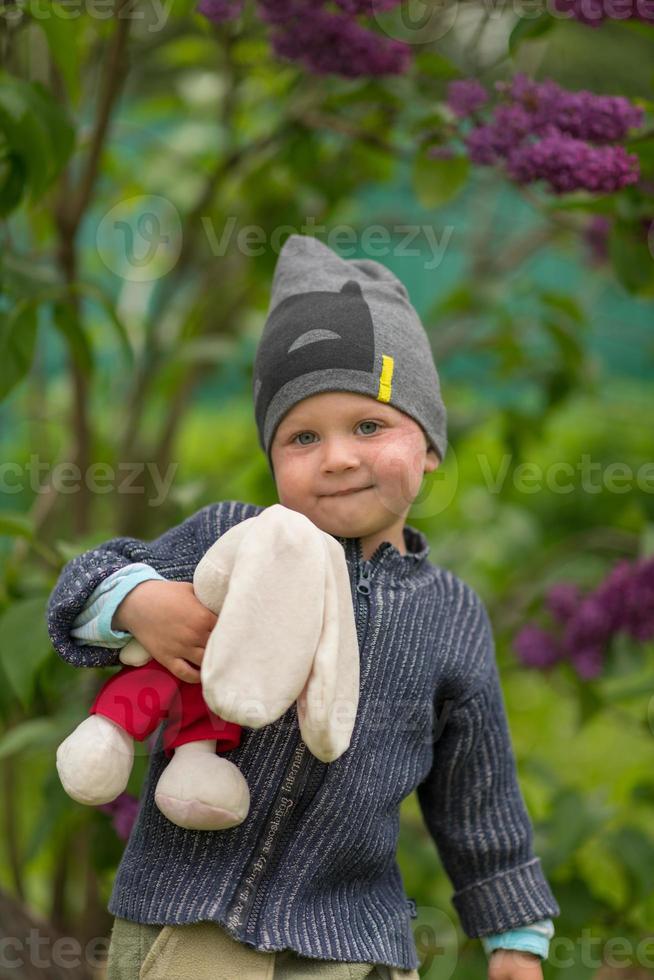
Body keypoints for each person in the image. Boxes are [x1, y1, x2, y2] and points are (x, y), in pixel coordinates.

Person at [46, 234, 559, 980]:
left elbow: (476, 789)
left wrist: (515, 932)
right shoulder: (234, 539)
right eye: (303, 436)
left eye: (371, 426)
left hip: (348, 936)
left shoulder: (450, 613)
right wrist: (140, 603)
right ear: (274, 458)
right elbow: (83, 584)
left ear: (431, 447)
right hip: (192, 917)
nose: (339, 457)